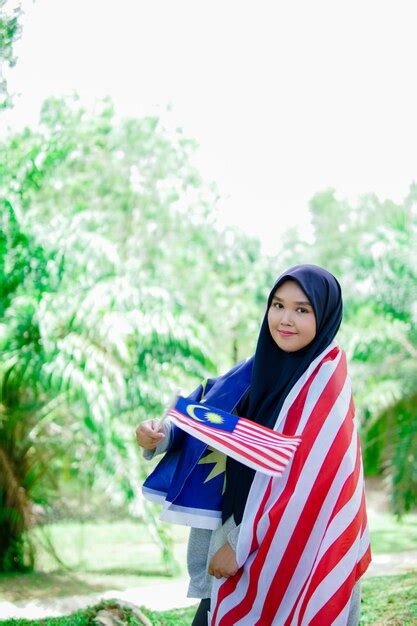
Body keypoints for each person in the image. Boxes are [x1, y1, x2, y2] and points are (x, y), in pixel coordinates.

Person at [136, 264, 371, 625]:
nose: (285, 319)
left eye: (302, 309)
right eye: (278, 305)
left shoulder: (326, 385)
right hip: (233, 529)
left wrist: (242, 543)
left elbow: (313, 485)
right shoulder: (256, 368)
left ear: (324, 317)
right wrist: (160, 433)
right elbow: (209, 412)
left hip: (285, 547)